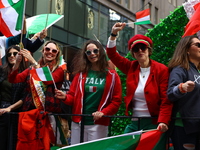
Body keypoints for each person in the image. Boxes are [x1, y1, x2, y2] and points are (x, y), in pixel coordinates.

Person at [106, 22, 173, 149]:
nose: (140, 51)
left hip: (155, 123)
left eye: (143, 47)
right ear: (132, 53)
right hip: (135, 122)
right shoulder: (131, 67)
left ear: (149, 50)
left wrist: (163, 121)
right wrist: (113, 34)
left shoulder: (161, 69)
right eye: (136, 49)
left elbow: (166, 98)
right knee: (123, 147)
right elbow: (112, 55)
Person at [55, 39, 122, 145]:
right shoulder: (80, 74)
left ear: (101, 51)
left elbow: (116, 101)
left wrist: (103, 112)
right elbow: (72, 96)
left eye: (95, 51)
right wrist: (64, 97)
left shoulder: (112, 75)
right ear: (85, 55)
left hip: (98, 123)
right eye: (88, 52)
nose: (92, 54)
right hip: (78, 122)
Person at [8, 40, 65, 149]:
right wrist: (17, 64)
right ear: (43, 51)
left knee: (45, 146)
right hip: (30, 115)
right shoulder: (31, 69)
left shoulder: (59, 70)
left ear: (57, 54)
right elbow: (13, 79)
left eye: (54, 51)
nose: (50, 52)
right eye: (47, 49)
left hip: (48, 116)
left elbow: (47, 80)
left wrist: (33, 62)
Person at [167, 35, 200, 150]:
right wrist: (182, 87)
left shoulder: (197, 71)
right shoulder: (180, 69)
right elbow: (171, 93)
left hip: (197, 125)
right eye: (198, 45)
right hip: (184, 127)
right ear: (186, 50)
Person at [0, 45, 26, 150]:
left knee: (14, 143)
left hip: (17, 113)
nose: (12, 56)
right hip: (1, 111)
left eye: (15, 53)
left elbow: (25, 97)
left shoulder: (25, 73)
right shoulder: (1, 71)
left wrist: (10, 108)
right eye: (9, 54)